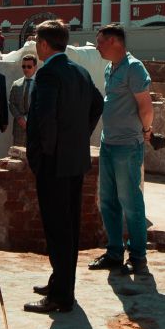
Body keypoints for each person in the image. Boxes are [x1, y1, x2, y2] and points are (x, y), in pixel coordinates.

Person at [24, 19, 103, 314]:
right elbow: (98, 104)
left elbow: (44, 119)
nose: (36, 46)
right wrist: (79, 137)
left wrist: (44, 154)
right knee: (68, 226)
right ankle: (61, 282)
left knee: (58, 228)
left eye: (37, 41)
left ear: (44, 45)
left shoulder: (48, 74)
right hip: (74, 161)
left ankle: (61, 296)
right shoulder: (79, 71)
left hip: (54, 164)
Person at [91, 24, 155, 277]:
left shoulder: (134, 67)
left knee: (131, 203)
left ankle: (138, 257)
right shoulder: (111, 68)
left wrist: (147, 130)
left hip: (127, 145)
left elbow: (145, 106)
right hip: (108, 143)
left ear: (114, 42)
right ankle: (114, 252)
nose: (97, 46)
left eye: (100, 41)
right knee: (108, 201)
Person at [8, 53, 38, 147]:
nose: (26, 69)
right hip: (19, 128)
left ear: (35, 67)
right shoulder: (16, 84)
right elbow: (11, 103)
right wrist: (20, 118)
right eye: (24, 66)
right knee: (18, 153)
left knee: (34, 154)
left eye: (29, 66)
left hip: (35, 127)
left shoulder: (41, 84)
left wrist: (27, 119)